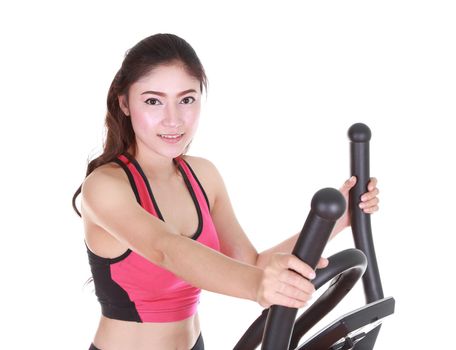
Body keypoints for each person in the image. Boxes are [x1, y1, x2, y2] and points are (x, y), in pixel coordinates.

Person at [72, 33, 380, 350]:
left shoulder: (203, 176)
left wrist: (340, 220)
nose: (173, 119)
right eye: (153, 101)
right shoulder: (105, 186)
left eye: (186, 99)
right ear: (124, 102)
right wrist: (259, 285)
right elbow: (165, 248)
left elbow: (253, 263)